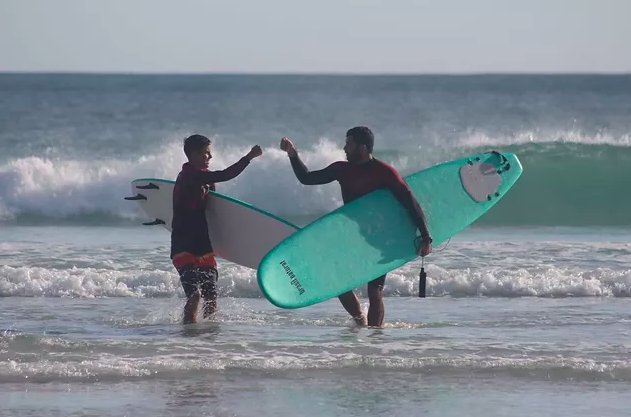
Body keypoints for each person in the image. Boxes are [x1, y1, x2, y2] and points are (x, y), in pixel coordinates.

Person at [279, 126, 432, 327]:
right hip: (352, 235)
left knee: (374, 290)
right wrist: (292, 154)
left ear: (362, 147)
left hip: (379, 238)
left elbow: (409, 201)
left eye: (348, 144)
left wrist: (425, 236)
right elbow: (307, 179)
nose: (344, 148)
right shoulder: (341, 169)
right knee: (338, 283)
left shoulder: (384, 172)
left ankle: (375, 336)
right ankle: (360, 319)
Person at [171, 134, 263, 324]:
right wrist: (249, 157)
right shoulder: (189, 176)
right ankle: (187, 336)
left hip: (203, 245)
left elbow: (214, 211)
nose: (210, 157)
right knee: (195, 296)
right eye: (206, 153)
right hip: (183, 246)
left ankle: (209, 341)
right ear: (194, 154)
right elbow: (225, 175)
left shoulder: (204, 179)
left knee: (211, 298)